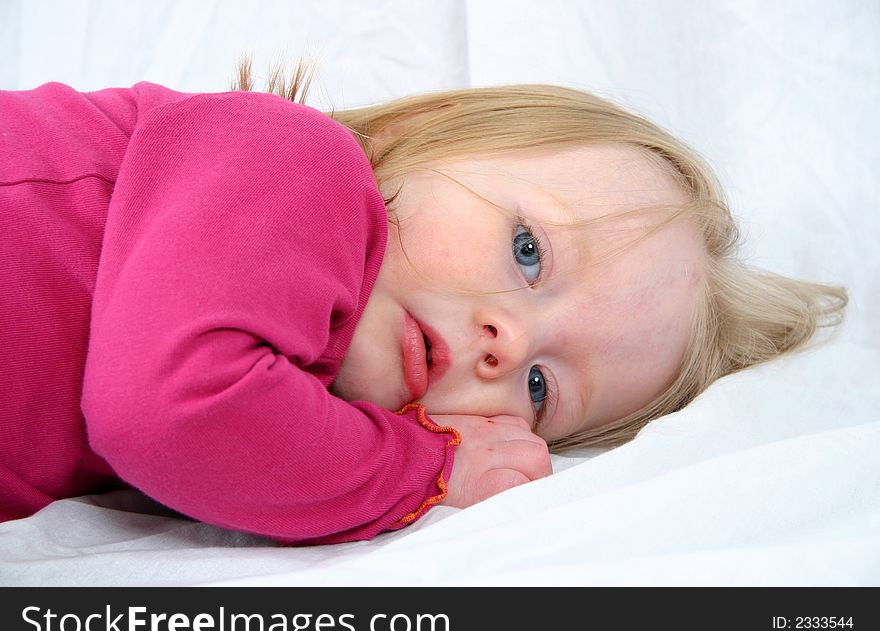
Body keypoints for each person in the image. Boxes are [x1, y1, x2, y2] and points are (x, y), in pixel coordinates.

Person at [0, 59, 847, 545]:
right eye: (528, 251)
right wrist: (430, 467)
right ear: (424, 132)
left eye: (541, 388)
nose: (506, 343)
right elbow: (171, 416)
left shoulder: (284, 421)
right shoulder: (293, 161)